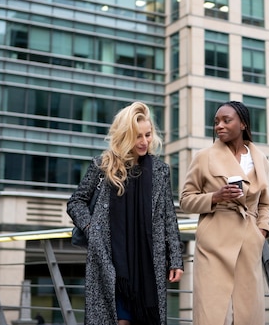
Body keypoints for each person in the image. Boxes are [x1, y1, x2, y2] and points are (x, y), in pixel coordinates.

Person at [67, 102, 184, 325]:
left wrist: (176, 260)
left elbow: (169, 216)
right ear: (125, 136)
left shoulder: (160, 171)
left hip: (148, 263)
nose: (144, 142)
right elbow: (76, 202)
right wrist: (92, 229)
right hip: (112, 262)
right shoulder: (104, 166)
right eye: (137, 136)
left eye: (148, 135)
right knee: (119, 320)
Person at [180, 100, 269, 325]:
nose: (219, 126)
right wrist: (215, 197)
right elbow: (185, 200)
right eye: (216, 122)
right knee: (212, 310)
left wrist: (262, 232)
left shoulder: (260, 158)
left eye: (226, 120)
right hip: (214, 241)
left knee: (247, 310)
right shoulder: (204, 156)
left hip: (248, 241)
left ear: (242, 124)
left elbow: (265, 204)